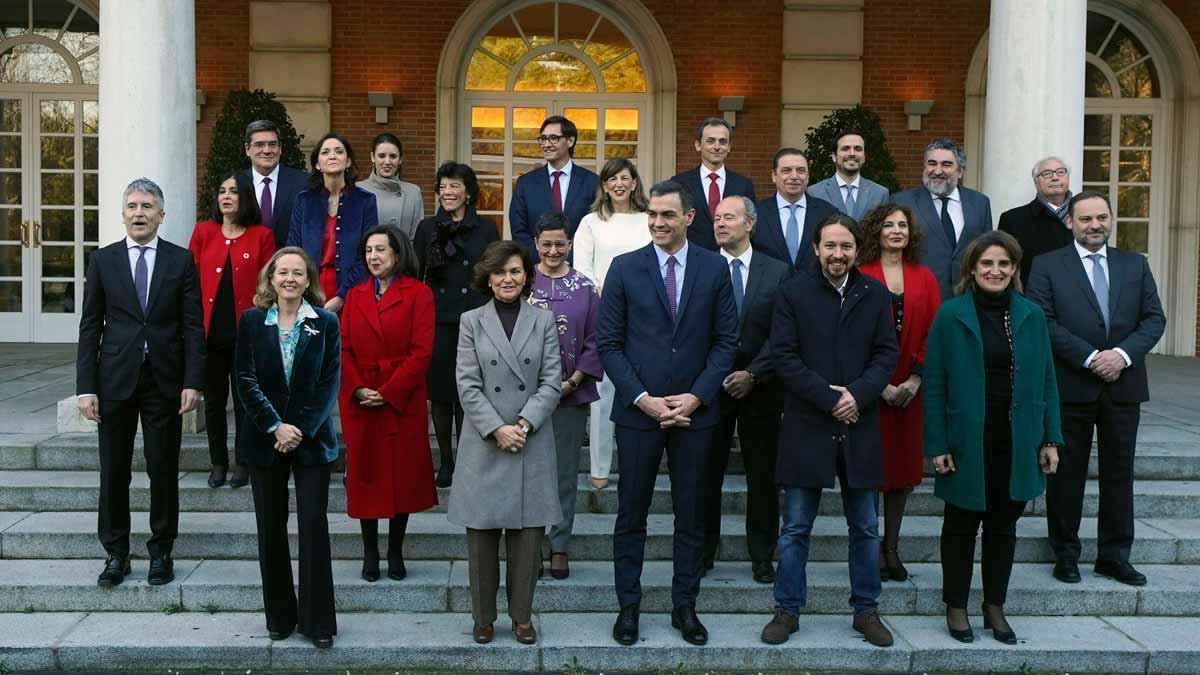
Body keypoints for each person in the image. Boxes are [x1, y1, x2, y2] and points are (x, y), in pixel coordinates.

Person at [598, 180, 739, 647]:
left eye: (667, 215)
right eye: (653, 215)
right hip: (640, 414)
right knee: (631, 515)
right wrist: (643, 398)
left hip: (696, 415)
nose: (658, 223)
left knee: (692, 516)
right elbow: (609, 345)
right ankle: (628, 608)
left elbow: (725, 343)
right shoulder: (624, 268)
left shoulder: (714, 268)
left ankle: (685, 606)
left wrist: (697, 397)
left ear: (689, 218)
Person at [760, 213, 898, 648]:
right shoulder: (793, 292)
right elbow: (783, 356)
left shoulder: (875, 294)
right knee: (796, 528)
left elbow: (885, 353)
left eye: (846, 247)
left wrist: (856, 395)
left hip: (860, 424)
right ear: (816, 248)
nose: (837, 255)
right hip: (808, 425)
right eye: (830, 246)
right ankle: (787, 610)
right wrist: (830, 398)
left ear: (857, 250)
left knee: (865, 528)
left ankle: (866, 610)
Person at [924, 230, 1062, 645]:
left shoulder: (1031, 315)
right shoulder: (951, 314)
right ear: (972, 268)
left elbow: (1048, 379)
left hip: (1017, 438)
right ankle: (955, 605)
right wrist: (937, 444)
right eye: (987, 263)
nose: (995, 270)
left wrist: (1051, 438)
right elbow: (934, 383)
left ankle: (994, 606)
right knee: (961, 527)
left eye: (1004, 264)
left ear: (1015, 269)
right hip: (966, 439)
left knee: (1004, 527)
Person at [1027, 191, 1166, 587]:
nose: (1095, 225)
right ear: (1070, 222)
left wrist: (1121, 355)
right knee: (1066, 475)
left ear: (1111, 220)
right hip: (1071, 385)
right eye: (1086, 219)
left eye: (1101, 218)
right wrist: (1091, 358)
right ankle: (1065, 555)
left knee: (1119, 475)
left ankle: (1114, 557)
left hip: (1124, 386)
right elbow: (1043, 320)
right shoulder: (1047, 265)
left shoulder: (1134, 264)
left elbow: (1154, 319)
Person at [76, 178, 204, 588]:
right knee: (113, 471)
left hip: (163, 381)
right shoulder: (103, 261)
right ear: (123, 213)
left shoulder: (181, 261)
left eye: (147, 206)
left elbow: (192, 326)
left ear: (161, 215)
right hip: (113, 381)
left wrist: (193, 381)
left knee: (162, 468)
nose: (139, 212)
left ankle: (161, 551)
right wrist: (86, 386)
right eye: (132, 205)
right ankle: (116, 553)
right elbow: (90, 326)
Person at [448, 240, 563, 646]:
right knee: (480, 538)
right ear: (488, 277)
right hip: (486, 440)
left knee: (528, 538)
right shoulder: (471, 321)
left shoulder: (544, 320)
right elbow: (467, 382)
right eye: (500, 272)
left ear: (526, 275)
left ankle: (521, 617)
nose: (507, 279)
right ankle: (483, 617)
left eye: (515, 271)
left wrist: (524, 423)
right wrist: (497, 428)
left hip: (530, 439)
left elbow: (552, 380)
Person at [236, 247, 340, 649]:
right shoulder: (251, 322)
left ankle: (318, 623)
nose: (290, 279)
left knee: (313, 528)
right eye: (283, 273)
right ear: (271, 278)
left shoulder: (325, 323)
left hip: (311, 442)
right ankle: (280, 617)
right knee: (271, 531)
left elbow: (329, 381)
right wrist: (275, 426)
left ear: (308, 279)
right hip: (265, 441)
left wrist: (299, 428)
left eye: (298, 273)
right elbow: (244, 380)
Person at [339, 225, 438, 582]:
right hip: (362, 399)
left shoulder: (419, 294)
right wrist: (358, 388)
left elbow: (421, 351)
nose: (374, 257)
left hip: (401, 399)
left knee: (400, 477)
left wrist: (391, 390)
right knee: (365, 476)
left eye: (381, 249)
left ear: (397, 253)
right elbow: (344, 347)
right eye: (368, 251)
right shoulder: (355, 294)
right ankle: (369, 553)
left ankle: (395, 550)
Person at [702, 196, 790, 583]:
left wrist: (753, 374)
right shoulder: (700, 266)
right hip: (710, 388)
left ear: (750, 223)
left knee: (763, 476)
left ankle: (762, 554)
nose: (720, 224)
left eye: (729, 218)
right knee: (705, 473)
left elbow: (784, 333)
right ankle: (703, 551)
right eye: (717, 218)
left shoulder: (778, 271)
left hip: (762, 387)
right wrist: (716, 375)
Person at [855, 203, 940, 582]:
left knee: (902, 474)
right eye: (888, 225)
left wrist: (915, 380)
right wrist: (878, 385)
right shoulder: (860, 273)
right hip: (869, 391)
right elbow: (850, 335)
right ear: (876, 231)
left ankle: (892, 547)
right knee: (871, 471)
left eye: (902, 225)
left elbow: (933, 332)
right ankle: (869, 547)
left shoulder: (924, 277)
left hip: (909, 392)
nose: (896, 230)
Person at [414, 161, 500, 488]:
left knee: (468, 392)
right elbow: (414, 272)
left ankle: (466, 457)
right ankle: (446, 460)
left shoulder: (486, 229)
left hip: (474, 317)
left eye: (455, 186)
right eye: (443, 186)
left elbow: (493, 270)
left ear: (468, 192)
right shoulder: (426, 228)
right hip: (437, 319)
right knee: (440, 394)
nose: (447, 192)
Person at [188, 170, 275, 489]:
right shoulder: (203, 232)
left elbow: (270, 286)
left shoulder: (261, 235)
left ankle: (243, 462)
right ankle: (218, 463)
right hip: (210, 335)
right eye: (222, 190)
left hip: (247, 335)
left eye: (233, 191)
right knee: (213, 402)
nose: (226, 196)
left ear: (245, 198)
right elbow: (189, 282)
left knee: (245, 401)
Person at [528, 212, 603, 580]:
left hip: (569, 397)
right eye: (547, 244)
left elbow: (596, 339)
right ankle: (530, 545)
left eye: (560, 243)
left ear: (570, 244)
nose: (554, 250)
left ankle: (559, 545)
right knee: (528, 473)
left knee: (563, 475)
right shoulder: (523, 282)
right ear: (536, 245)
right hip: (524, 397)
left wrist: (571, 381)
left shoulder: (585, 288)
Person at [573, 157, 651, 490]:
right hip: (605, 313)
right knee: (603, 393)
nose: (619, 184)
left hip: (646, 314)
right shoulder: (591, 222)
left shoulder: (649, 220)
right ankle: (600, 468)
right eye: (611, 179)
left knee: (643, 388)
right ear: (604, 186)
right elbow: (582, 269)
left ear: (635, 182)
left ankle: (641, 466)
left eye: (625, 178)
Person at [287, 132, 380, 314]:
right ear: (317, 164)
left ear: (348, 162)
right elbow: (293, 248)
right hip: (307, 290)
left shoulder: (365, 201)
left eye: (339, 151)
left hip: (352, 290)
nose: (332, 156)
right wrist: (305, 290)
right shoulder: (304, 200)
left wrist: (342, 295)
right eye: (326, 152)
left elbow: (368, 253)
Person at [892, 138, 994, 299]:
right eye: (932, 163)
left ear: (960, 171)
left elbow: (988, 249)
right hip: (920, 296)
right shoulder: (902, 202)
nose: (937, 171)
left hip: (969, 296)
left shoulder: (980, 202)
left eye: (946, 165)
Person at [508, 115, 599, 261]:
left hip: (579, 267)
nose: (546, 144)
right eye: (543, 139)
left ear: (570, 141)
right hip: (537, 269)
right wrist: (543, 260)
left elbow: (597, 228)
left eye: (553, 138)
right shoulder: (525, 183)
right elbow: (519, 231)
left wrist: (573, 258)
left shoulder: (592, 182)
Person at [670, 117, 757, 252]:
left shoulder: (743, 185)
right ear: (698, 145)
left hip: (730, 258)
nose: (717, 147)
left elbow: (750, 227)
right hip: (692, 260)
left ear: (729, 147)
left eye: (722, 142)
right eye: (710, 141)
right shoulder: (679, 183)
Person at [750, 148, 838, 272]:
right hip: (771, 290)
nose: (794, 176)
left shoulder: (828, 213)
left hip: (814, 289)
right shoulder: (755, 214)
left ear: (807, 176)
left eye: (801, 171)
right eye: (786, 171)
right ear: (774, 176)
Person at [998, 156, 1075, 288]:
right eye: (1047, 174)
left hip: (1077, 298)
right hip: (1032, 299)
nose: (1055, 177)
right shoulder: (1012, 219)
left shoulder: (1087, 217)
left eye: (1061, 172)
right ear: (1035, 181)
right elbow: (1004, 265)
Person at [242, 119, 308, 249]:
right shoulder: (235, 183)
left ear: (280, 148)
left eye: (272, 144)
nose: (266, 150)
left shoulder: (303, 182)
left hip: (290, 263)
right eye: (259, 145)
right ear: (247, 149)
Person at [807, 130, 890, 220]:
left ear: (864, 157)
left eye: (858, 149)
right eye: (845, 148)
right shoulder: (814, 192)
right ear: (834, 156)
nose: (852, 154)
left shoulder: (880, 194)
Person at [357, 132, 425, 240]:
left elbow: (418, 239)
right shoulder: (358, 190)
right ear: (372, 157)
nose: (387, 162)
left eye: (393, 156)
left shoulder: (413, 192)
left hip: (403, 256)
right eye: (381, 156)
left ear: (400, 159)